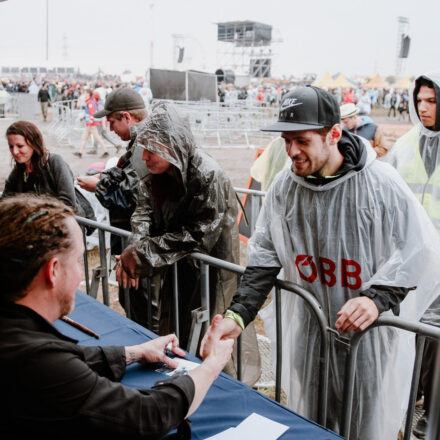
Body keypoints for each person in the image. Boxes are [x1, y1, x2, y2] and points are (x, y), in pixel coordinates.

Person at [200, 86, 440, 439]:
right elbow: (264, 256)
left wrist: (377, 298)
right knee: (311, 424)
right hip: (310, 336)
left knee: (361, 427)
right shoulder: (285, 187)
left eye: (302, 140)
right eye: (286, 141)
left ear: (334, 134)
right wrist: (238, 314)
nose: (292, 151)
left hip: (367, 342)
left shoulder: (379, 184)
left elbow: (417, 250)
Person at [0, 193, 234, 439]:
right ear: (54, 270)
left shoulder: (17, 332)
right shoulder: (35, 359)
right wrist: (213, 364)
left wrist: (134, 353)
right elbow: (148, 415)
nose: (81, 274)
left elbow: (71, 359)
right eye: (78, 262)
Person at [115, 102, 261, 385]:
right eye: (142, 148)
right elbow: (142, 213)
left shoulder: (209, 174)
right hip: (176, 266)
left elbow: (199, 234)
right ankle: (180, 387)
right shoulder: (156, 172)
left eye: (152, 148)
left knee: (213, 337)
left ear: (172, 145)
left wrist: (142, 255)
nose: (145, 156)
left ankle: (225, 392)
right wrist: (133, 251)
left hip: (212, 272)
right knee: (178, 330)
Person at [385, 72, 440, 439]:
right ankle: (401, 414)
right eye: (419, 100)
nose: (424, 108)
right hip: (410, 266)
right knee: (405, 341)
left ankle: (429, 425)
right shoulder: (403, 147)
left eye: (432, 100)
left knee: (435, 349)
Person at [76, 87, 151, 329]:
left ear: (127, 117)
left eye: (112, 122)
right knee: (134, 306)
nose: (109, 129)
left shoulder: (145, 146)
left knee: (142, 312)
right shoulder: (140, 143)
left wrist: (97, 187)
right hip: (133, 243)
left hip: (139, 245)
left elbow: (132, 198)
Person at [3, 120, 76, 208]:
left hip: (71, 219)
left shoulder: (55, 162)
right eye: (11, 146)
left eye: (20, 146)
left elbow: (68, 202)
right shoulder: (17, 173)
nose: (15, 152)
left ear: (34, 144)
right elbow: (5, 201)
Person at [74, 90, 109, 158]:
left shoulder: (90, 103)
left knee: (97, 138)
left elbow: (92, 114)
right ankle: (80, 152)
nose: (85, 95)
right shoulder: (89, 102)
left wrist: (90, 122)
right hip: (89, 124)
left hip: (91, 125)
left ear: (89, 94)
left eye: (86, 93)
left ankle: (106, 151)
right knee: (84, 138)